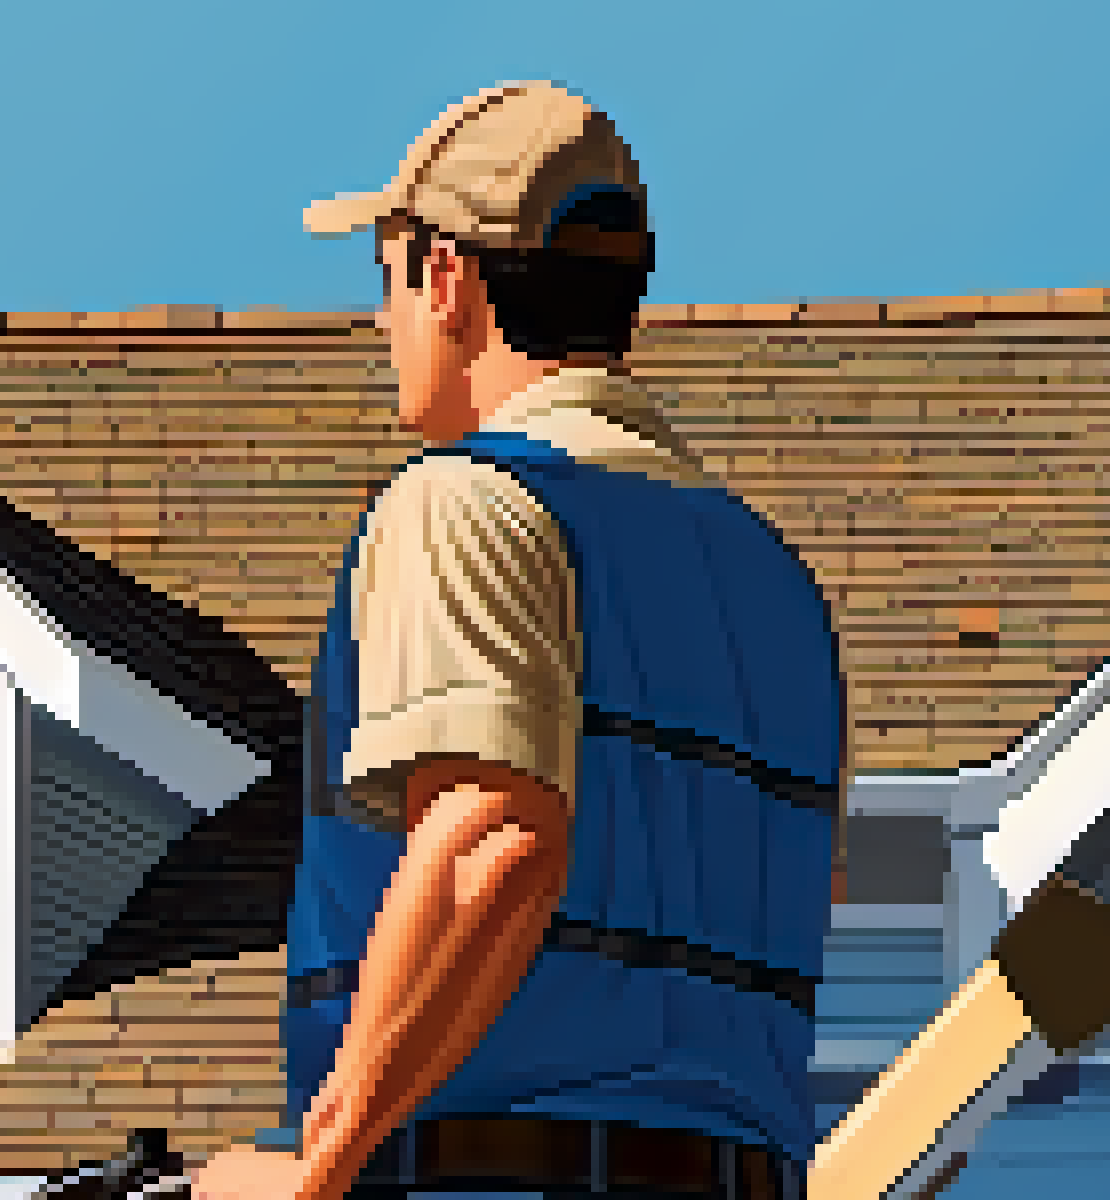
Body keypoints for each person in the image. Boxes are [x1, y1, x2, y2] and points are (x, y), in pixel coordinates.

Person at [190, 82, 845, 1200]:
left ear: (447, 278)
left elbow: (497, 842)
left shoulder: (467, 505)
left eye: (386, 279)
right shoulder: (773, 582)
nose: (383, 324)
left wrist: (320, 1162)